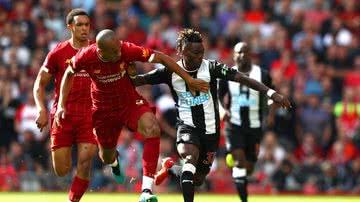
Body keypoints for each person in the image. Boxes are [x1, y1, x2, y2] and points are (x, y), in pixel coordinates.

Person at [129, 29, 291, 202]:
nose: (200, 57)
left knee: (197, 179)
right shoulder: (169, 72)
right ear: (182, 51)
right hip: (187, 127)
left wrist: (271, 94)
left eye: (202, 52)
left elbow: (242, 78)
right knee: (190, 159)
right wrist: (127, 73)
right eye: (195, 53)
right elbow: (139, 80)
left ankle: (170, 168)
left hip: (210, 131)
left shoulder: (211, 68)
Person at [54, 29, 209, 202]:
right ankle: (114, 162)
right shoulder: (86, 56)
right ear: (100, 51)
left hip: (129, 103)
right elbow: (68, 73)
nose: (120, 53)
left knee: (152, 128)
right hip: (103, 110)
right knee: (106, 155)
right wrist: (61, 104)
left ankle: (146, 191)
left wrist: (188, 79)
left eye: (119, 48)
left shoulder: (126, 49)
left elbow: (161, 58)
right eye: (115, 52)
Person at [33, 9, 97, 202]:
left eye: (87, 24)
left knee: (85, 163)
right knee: (62, 170)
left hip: (89, 115)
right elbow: (39, 83)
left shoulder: (98, 50)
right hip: (63, 115)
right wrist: (41, 109)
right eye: (80, 25)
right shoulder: (58, 52)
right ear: (70, 27)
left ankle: (72, 199)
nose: (84, 28)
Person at [218, 42, 277, 202]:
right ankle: (244, 199)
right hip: (234, 125)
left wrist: (271, 113)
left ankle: (241, 169)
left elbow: (272, 95)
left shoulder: (262, 74)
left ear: (251, 54)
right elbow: (217, 97)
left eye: (245, 52)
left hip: (255, 126)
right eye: (238, 52)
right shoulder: (227, 74)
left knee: (249, 167)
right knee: (239, 162)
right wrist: (223, 111)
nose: (241, 55)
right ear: (233, 55)